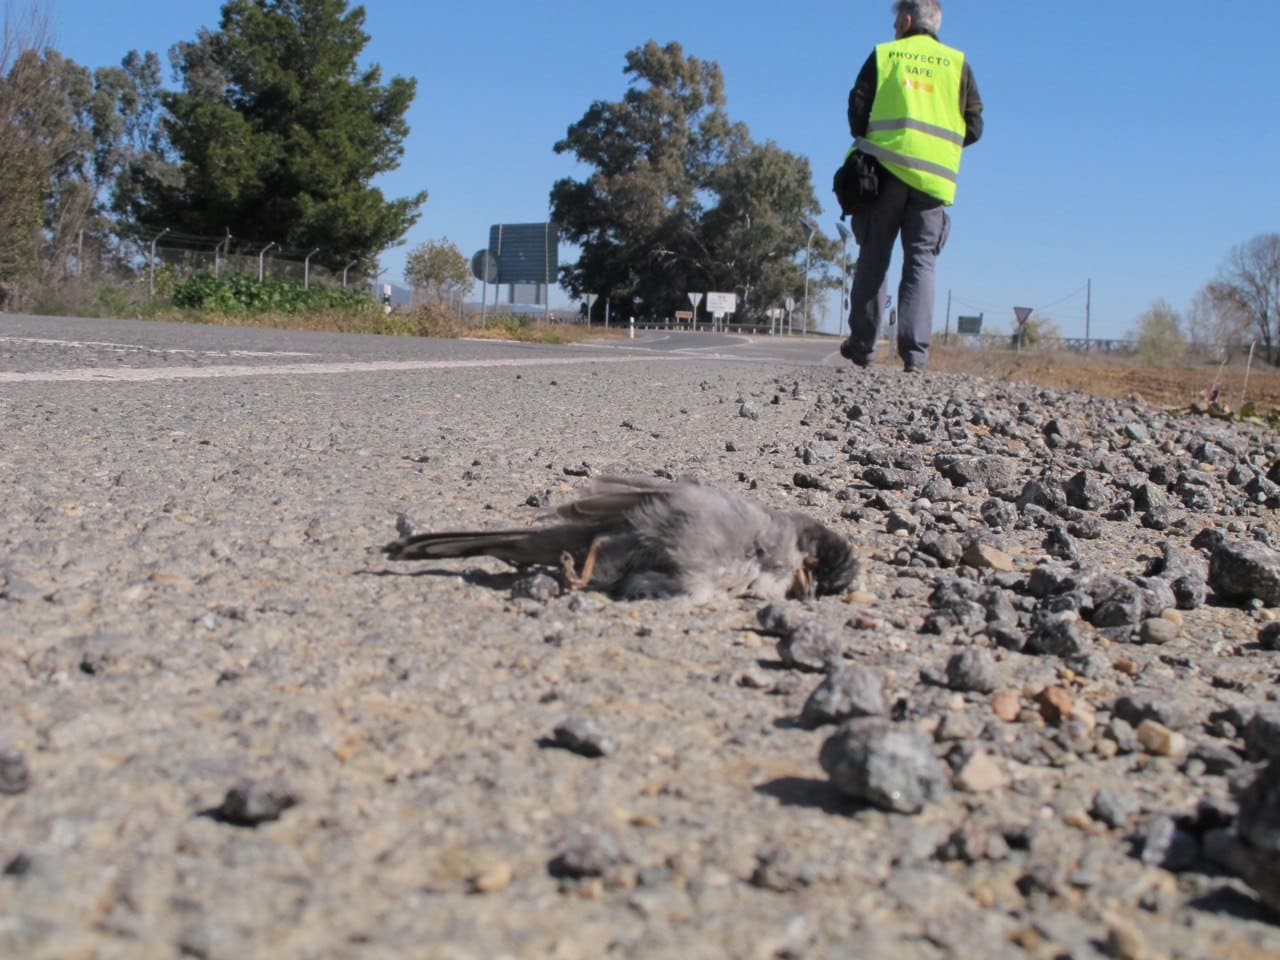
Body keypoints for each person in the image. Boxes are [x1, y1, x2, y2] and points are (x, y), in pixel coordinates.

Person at [840, 0, 983, 373]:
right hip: (933, 181)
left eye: (895, 24)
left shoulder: (886, 55)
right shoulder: (958, 64)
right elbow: (975, 124)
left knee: (875, 257)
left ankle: (861, 346)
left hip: (884, 173)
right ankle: (915, 357)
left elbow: (857, 110)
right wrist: (938, 148)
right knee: (921, 263)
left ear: (905, 20)